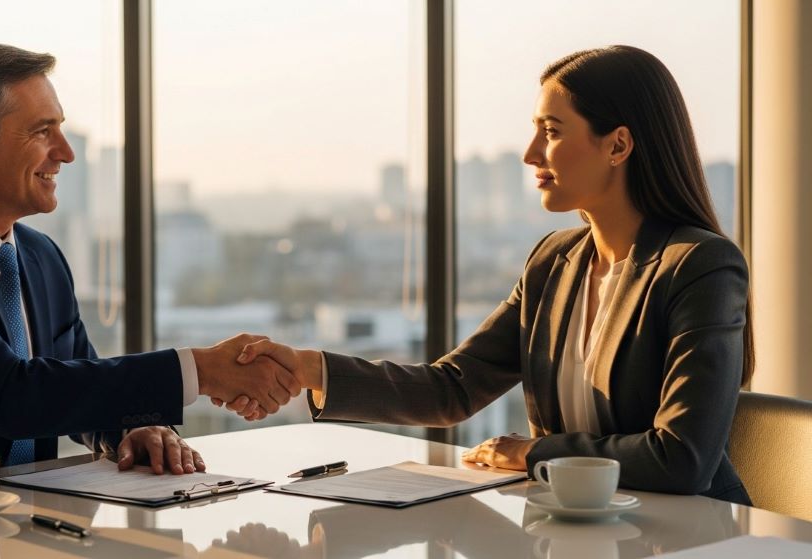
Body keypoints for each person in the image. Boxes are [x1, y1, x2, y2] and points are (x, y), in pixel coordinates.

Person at [227, 45, 754, 504]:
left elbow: (682, 459)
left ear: (617, 145)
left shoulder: (699, 266)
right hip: (573, 529)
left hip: (692, 535)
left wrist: (532, 454)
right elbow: (451, 390)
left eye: (551, 132)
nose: (530, 155)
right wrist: (307, 367)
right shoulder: (554, 262)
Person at [0, 42, 300, 496]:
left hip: (23, 523)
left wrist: (131, 428)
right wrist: (201, 370)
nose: (66, 152)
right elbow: (10, 397)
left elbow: (72, 383)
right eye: (41, 131)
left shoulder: (40, 256)